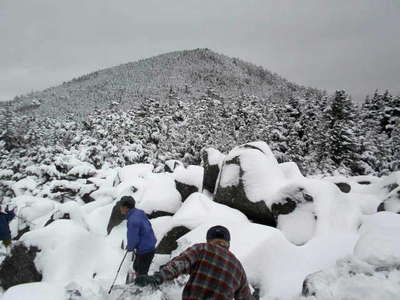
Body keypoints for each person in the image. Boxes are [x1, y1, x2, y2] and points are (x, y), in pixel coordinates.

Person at [137, 225, 253, 300]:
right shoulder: (238, 267)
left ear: (209, 240)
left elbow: (180, 264)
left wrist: (158, 277)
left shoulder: (202, 249)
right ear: (228, 243)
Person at [119, 196, 157, 283]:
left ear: (126, 208)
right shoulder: (138, 213)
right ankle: (139, 281)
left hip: (145, 249)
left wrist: (130, 247)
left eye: (121, 206)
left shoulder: (132, 220)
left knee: (141, 274)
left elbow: (133, 238)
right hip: (149, 245)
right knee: (137, 266)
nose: (120, 208)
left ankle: (142, 290)